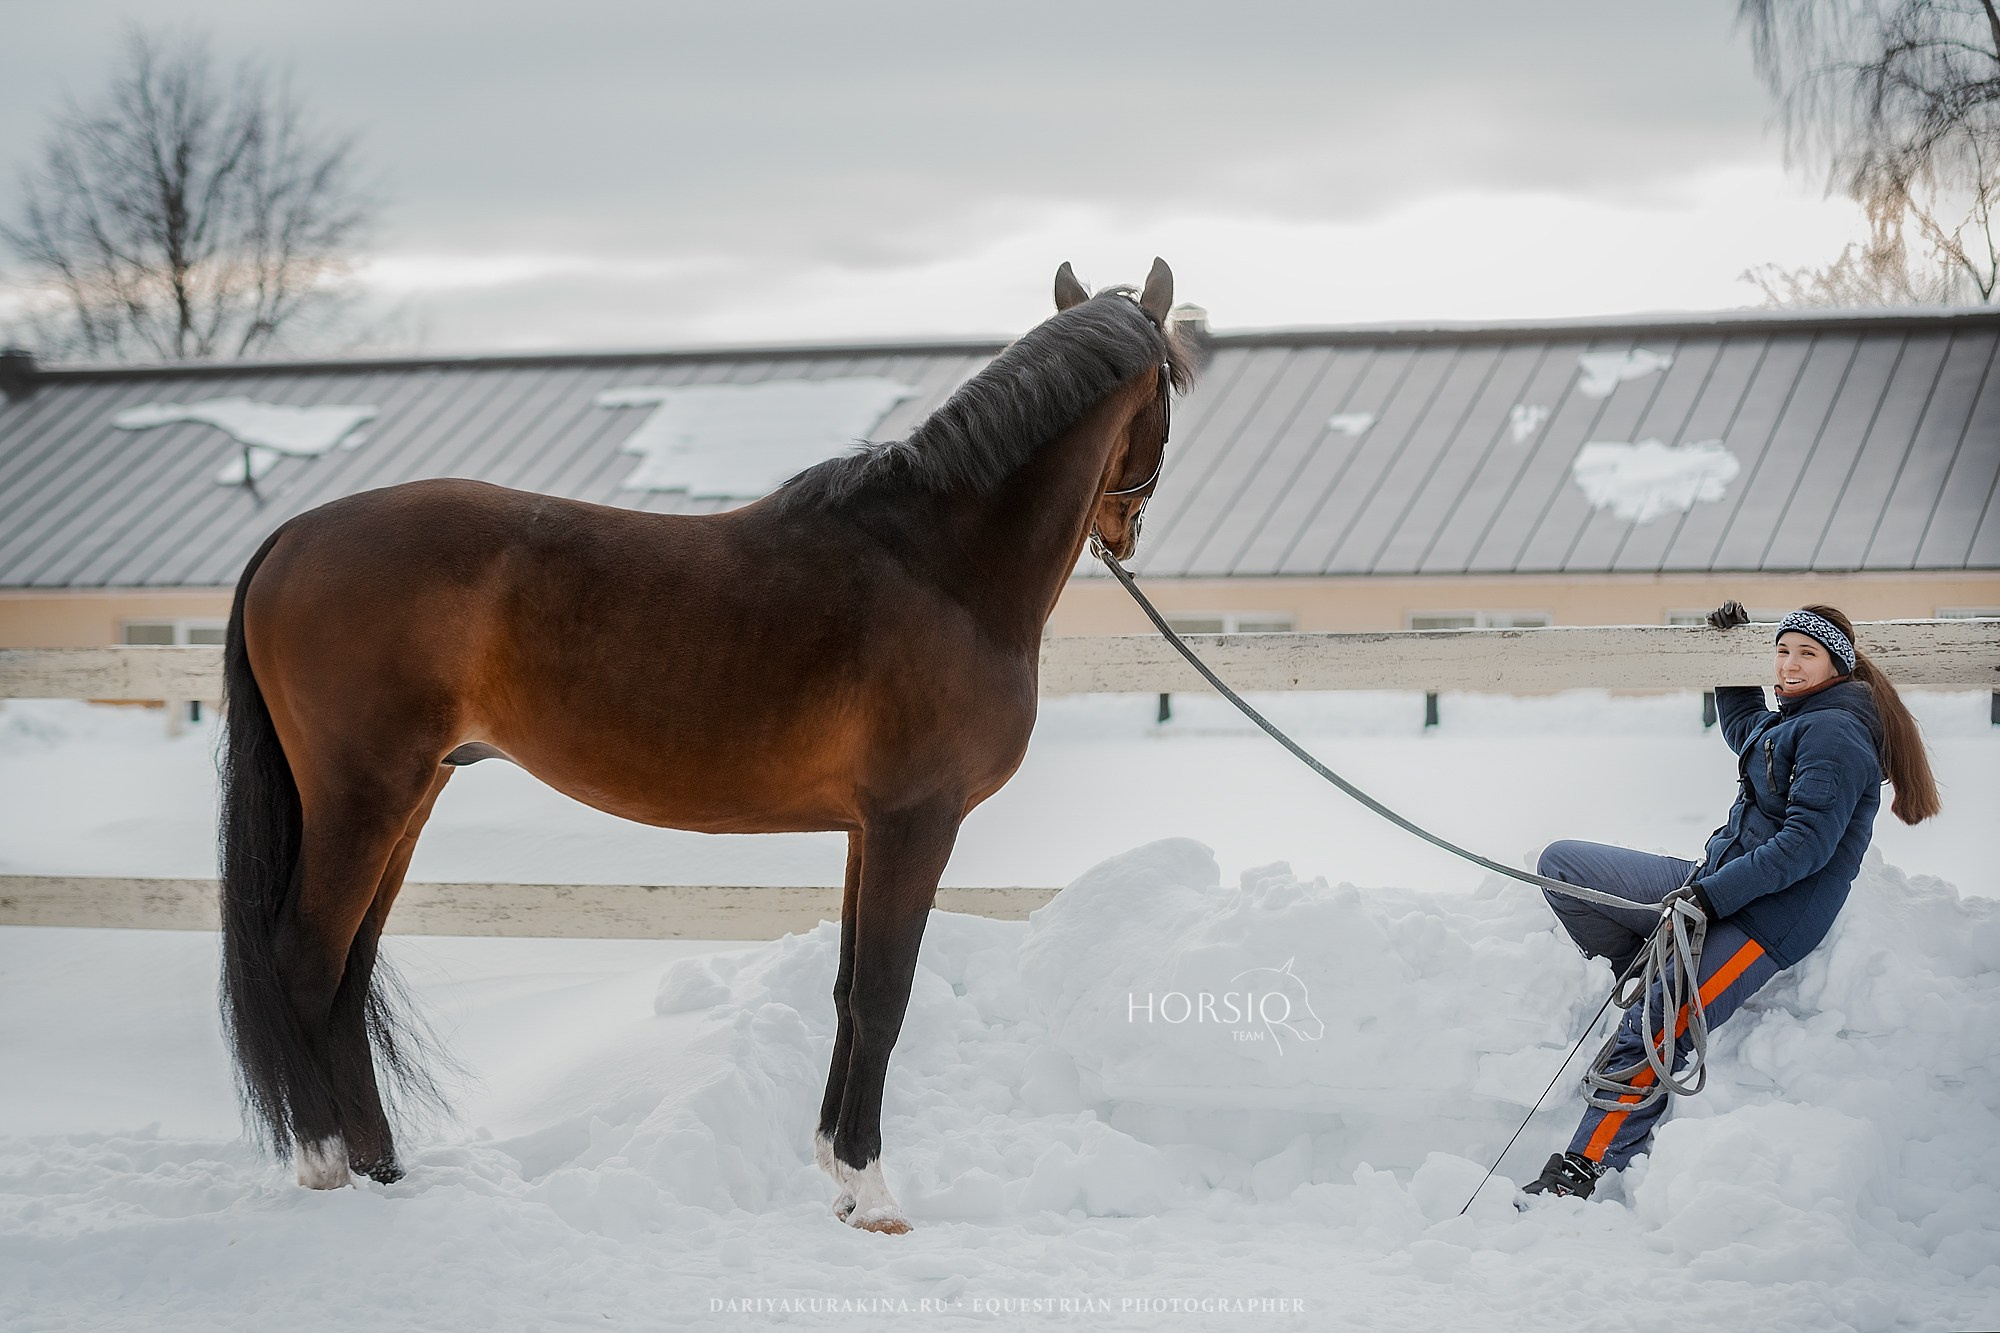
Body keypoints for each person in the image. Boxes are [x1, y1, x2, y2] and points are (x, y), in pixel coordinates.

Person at [1520, 602, 1941, 1200]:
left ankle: (1587, 1168)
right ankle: (1642, 963)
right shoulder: (1794, 719)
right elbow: (1746, 726)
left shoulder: (1836, 732)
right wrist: (1729, 651)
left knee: (1660, 1025)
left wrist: (1710, 899)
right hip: (1715, 884)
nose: (1789, 666)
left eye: (1807, 655)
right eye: (1783, 651)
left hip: (1767, 919)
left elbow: (1804, 848)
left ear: (1837, 665)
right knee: (1565, 868)